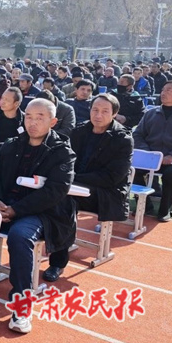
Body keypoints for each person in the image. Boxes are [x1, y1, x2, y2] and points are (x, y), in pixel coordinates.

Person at [0, 99, 76, 333]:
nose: (33, 123)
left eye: (40, 118)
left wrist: (16, 210)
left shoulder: (62, 152)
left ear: (53, 122)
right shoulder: (12, 144)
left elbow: (55, 192)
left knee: (20, 236)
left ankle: (22, 306)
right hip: (5, 205)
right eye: (29, 117)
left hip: (43, 212)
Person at [44, 94, 133, 282]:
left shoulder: (122, 139)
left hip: (106, 193)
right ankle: (49, 240)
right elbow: (66, 159)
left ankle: (57, 262)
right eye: (95, 110)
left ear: (115, 114)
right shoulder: (79, 131)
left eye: (104, 111)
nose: (98, 115)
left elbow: (111, 178)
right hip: (75, 185)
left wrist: (73, 179)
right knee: (48, 190)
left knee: (64, 200)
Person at [133, 81, 172, 222]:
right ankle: (145, 206)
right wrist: (148, 153)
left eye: (169, 90)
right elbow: (138, 134)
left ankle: (165, 209)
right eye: (163, 89)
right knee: (132, 171)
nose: (163, 93)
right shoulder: (151, 113)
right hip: (151, 157)